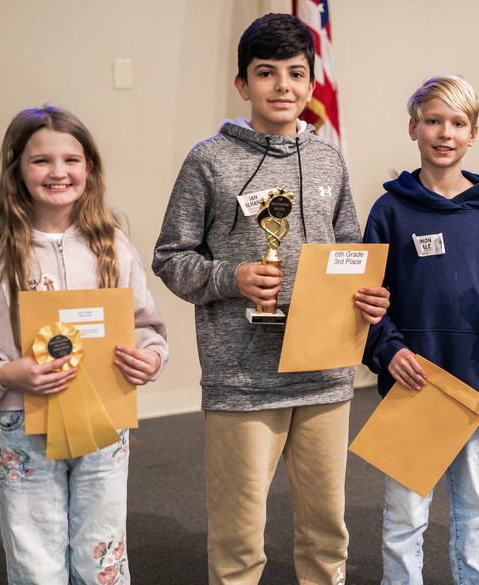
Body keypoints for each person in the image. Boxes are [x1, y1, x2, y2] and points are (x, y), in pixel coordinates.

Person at [151, 13, 389, 585]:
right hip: (243, 378)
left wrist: (367, 296)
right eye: (266, 73)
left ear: (311, 84)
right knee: (239, 539)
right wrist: (233, 278)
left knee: (327, 531)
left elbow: (350, 248)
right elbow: (170, 258)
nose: (282, 86)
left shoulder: (329, 157)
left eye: (295, 73)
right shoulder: (208, 161)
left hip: (325, 372)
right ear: (242, 85)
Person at [0, 106, 169, 584]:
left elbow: (146, 327)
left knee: (103, 551)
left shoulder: (113, 245)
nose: (58, 172)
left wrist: (151, 358)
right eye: (41, 161)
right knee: (35, 557)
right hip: (26, 429)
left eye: (72, 160)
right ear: (17, 169)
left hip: (104, 427)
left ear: (90, 169)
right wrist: (4, 372)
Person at [362, 75, 479, 585]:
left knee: (475, 513)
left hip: (477, 383)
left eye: (457, 123)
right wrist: (387, 351)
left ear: (473, 133)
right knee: (406, 518)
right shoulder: (389, 211)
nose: (445, 133)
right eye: (434, 121)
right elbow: (366, 301)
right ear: (413, 128)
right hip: (412, 382)